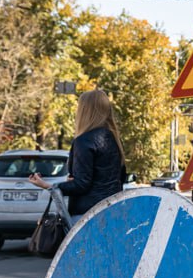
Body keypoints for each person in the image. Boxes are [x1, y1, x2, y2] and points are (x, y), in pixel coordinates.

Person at [28, 89, 126, 221]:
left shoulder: (84, 141)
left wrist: (48, 186)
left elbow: (81, 185)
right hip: (113, 210)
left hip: (87, 215)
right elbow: (117, 177)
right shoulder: (114, 140)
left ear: (84, 111)